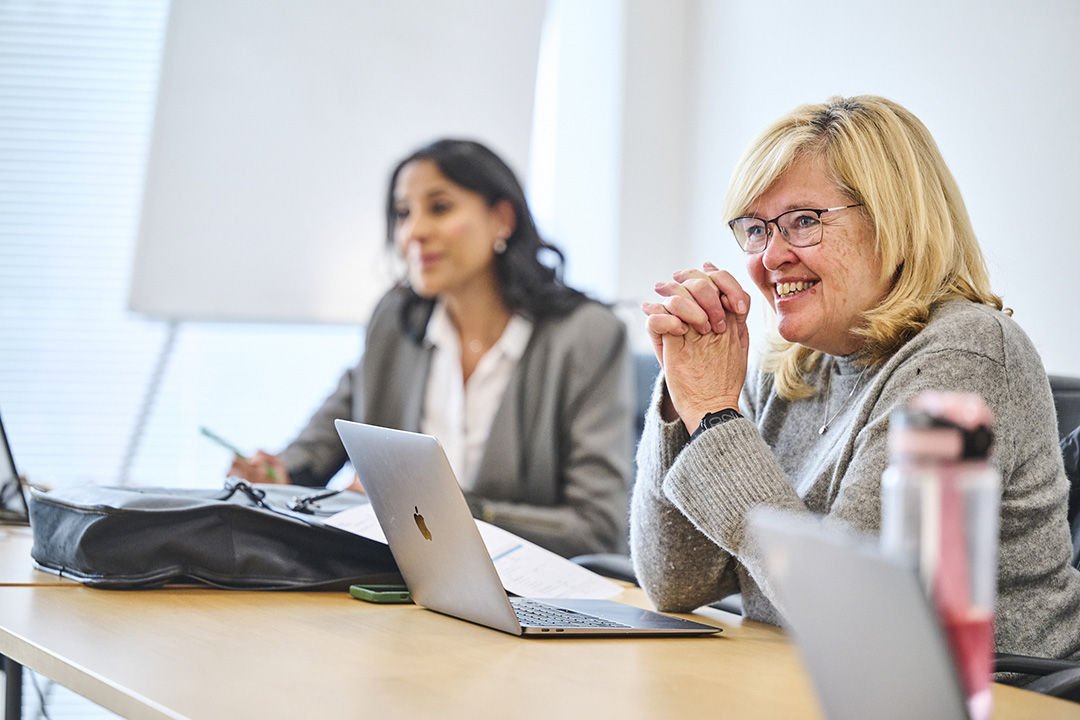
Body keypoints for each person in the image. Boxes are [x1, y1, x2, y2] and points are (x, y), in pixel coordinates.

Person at [631, 95, 1080, 664]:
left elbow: (859, 621)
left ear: (895, 222)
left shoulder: (969, 353)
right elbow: (674, 582)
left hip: (995, 697)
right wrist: (683, 400)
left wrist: (717, 417)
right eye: (754, 229)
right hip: (804, 684)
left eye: (802, 222)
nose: (770, 257)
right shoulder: (789, 366)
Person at [230, 139, 633, 559]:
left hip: (528, 594)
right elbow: (322, 442)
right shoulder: (396, 320)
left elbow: (597, 526)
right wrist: (279, 473)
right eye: (404, 213)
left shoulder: (587, 335)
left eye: (439, 208)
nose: (414, 232)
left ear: (502, 219)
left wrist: (450, 509)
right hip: (398, 582)